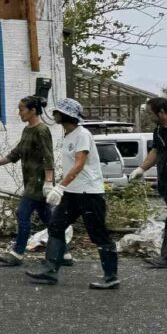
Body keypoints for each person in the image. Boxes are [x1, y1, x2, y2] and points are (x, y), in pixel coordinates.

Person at [26, 97, 119, 289]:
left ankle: (111, 277)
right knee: (56, 227)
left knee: (99, 234)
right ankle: (50, 271)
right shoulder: (68, 135)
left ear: (65, 115)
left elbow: (79, 164)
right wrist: (64, 187)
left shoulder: (82, 134)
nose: (53, 114)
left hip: (89, 192)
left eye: (57, 112)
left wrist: (59, 186)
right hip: (73, 192)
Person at [0, 95, 64, 266]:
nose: (19, 112)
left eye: (22, 109)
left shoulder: (42, 130)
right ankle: (64, 254)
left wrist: (49, 183)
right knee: (49, 219)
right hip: (31, 181)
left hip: (39, 183)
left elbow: (48, 157)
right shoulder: (28, 130)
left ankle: (18, 254)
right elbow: (17, 152)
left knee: (22, 214)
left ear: (33, 110)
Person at [129, 96, 167, 268]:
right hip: (166, 181)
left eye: (150, 113)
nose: (149, 116)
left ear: (162, 112)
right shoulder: (159, 131)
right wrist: (141, 169)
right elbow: (156, 151)